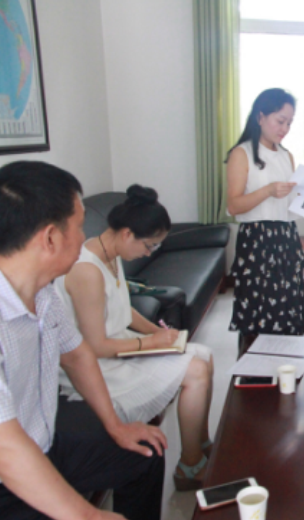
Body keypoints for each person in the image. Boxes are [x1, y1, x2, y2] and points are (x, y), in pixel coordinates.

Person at [0, 161, 166, 520]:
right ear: (50, 238)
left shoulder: (43, 293)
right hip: (8, 473)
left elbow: (77, 355)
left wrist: (116, 426)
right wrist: (88, 515)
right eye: (78, 226)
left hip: (44, 442)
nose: (84, 237)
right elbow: (5, 448)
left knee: (145, 455)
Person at [54, 185, 214, 492]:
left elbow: (122, 307)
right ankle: (189, 465)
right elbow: (95, 346)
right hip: (97, 364)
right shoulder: (86, 271)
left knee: (204, 356)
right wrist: (151, 343)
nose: (149, 253)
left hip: (119, 345)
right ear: (127, 234)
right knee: (195, 371)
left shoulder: (109, 253)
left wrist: (157, 332)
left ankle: (200, 441)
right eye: (149, 246)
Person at [226, 88, 304, 342]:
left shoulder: (286, 156)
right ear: (260, 116)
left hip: (286, 236)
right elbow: (233, 206)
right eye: (280, 121)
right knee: (256, 312)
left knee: (287, 307)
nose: (285, 128)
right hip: (257, 240)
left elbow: (290, 204)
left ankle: (287, 361)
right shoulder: (241, 154)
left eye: (289, 123)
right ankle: (252, 362)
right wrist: (268, 190)